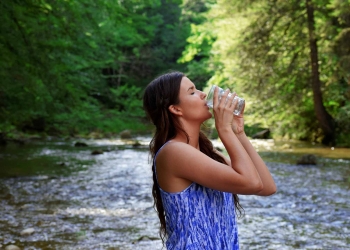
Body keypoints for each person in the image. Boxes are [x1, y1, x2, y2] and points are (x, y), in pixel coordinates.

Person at [143, 71, 276, 250]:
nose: (203, 94)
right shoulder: (174, 152)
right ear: (176, 109)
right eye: (192, 92)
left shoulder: (208, 153)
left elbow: (266, 186)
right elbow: (251, 183)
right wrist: (224, 129)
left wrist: (238, 133)